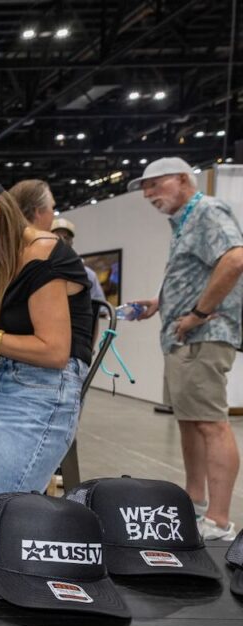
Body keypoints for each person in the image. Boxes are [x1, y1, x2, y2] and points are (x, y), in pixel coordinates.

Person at [0, 176, 93, 501]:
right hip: (1, 385)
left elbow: (55, 351)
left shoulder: (43, 255)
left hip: (39, 394)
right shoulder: (8, 259)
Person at [128, 157, 243, 541]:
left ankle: (220, 520)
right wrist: (162, 302)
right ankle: (194, 504)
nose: (147, 195)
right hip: (184, 338)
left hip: (202, 336)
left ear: (182, 179)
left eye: (154, 185)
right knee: (192, 422)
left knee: (210, 423)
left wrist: (197, 313)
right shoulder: (185, 221)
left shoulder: (207, 211)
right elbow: (196, 270)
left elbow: (235, 258)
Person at [51, 217, 106, 301]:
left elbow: (101, 307)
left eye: (66, 238)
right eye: (57, 237)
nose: (62, 241)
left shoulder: (88, 274)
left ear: (71, 242)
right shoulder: (42, 269)